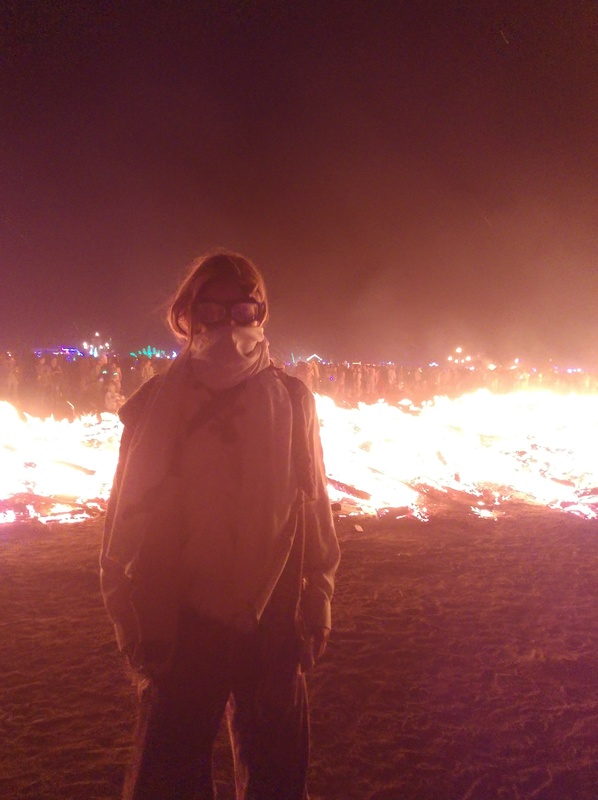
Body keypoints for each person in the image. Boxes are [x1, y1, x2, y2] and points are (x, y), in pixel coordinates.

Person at [100, 249, 340, 800]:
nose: (228, 325)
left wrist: (319, 595)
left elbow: (313, 505)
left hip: (272, 620)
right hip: (182, 621)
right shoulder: (155, 404)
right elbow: (125, 513)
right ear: (187, 317)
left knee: (276, 778)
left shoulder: (293, 400)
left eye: (242, 310)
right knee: (169, 778)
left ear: (260, 314)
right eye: (210, 310)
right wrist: (123, 608)